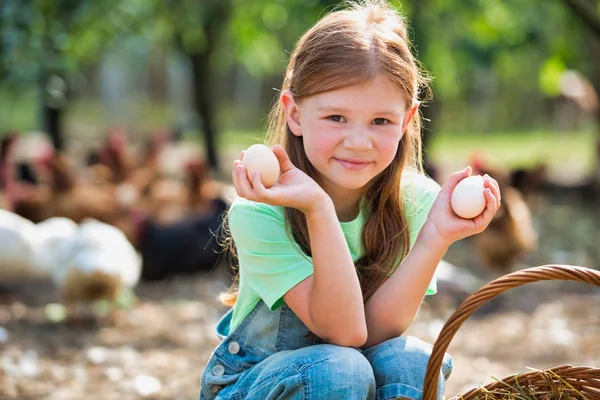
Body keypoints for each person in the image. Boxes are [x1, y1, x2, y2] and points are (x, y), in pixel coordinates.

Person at [199, 1, 501, 399]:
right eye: (336, 118)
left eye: (381, 121)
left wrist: (435, 237)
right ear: (295, 114)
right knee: (338, 369)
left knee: (409, 360)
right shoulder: (260, 210)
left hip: (346, 373)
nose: (359, 142)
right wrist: (318, 208)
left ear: (407, 121)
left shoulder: (414, 202)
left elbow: (370, 334)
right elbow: (344, 336)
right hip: (251, 384)